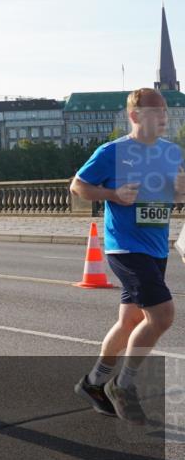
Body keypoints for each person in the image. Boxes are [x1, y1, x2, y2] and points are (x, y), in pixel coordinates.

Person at [71, 87, 185, 425]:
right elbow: (78, 186)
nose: (164, 118)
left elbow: (177, 195)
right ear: (135, 116)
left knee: (131, 320)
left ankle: (93, 383)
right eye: (156, 112)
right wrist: (112, 194)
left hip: (156, 246)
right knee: (162, 316)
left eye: (165, 112)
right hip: (125, 246)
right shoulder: (113, 152)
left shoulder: (172, 152)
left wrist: (181, 189)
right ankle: (123, 385)